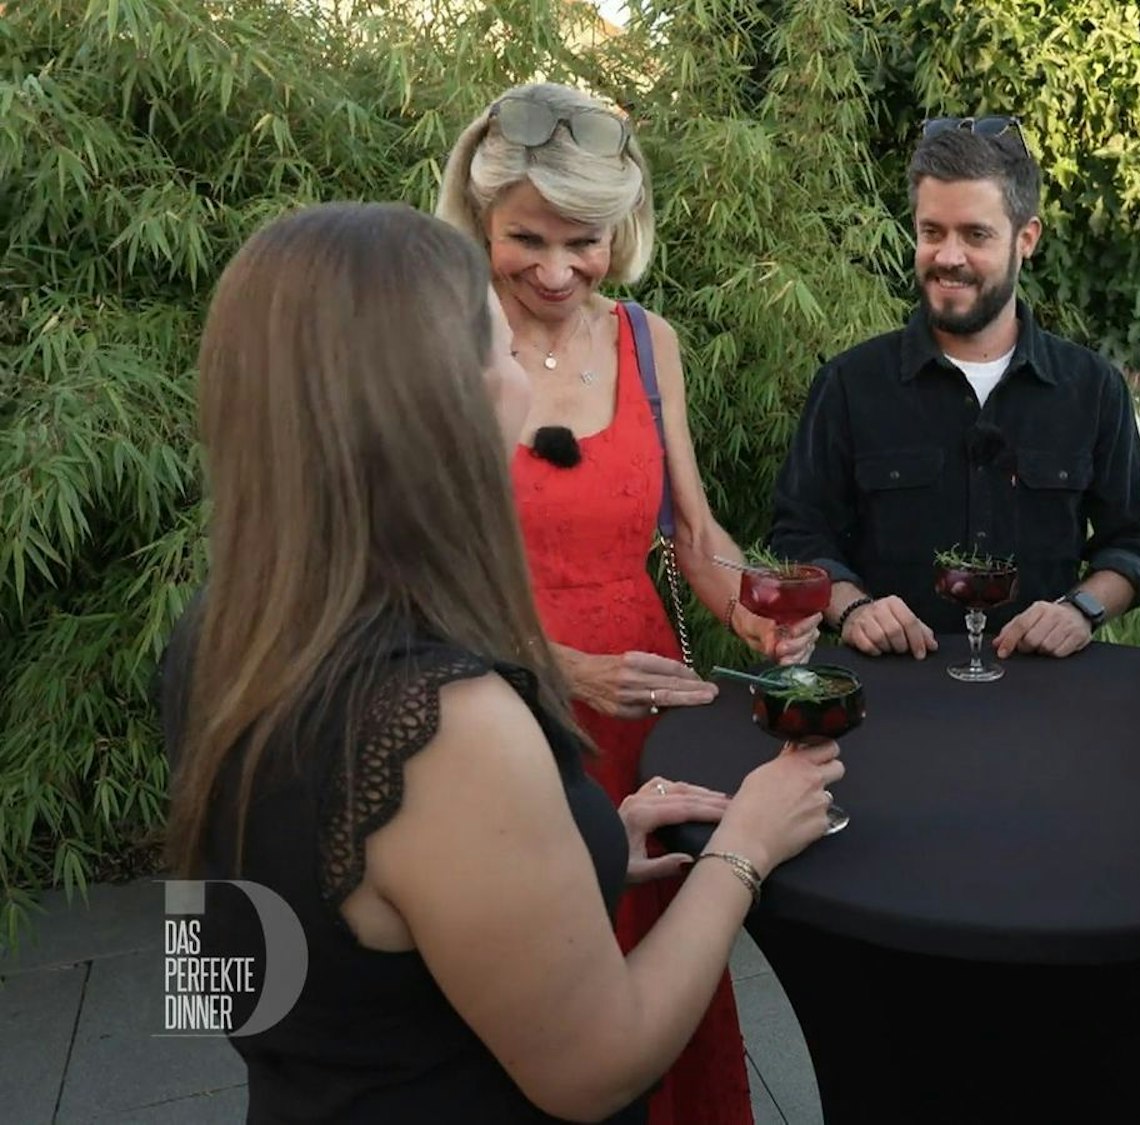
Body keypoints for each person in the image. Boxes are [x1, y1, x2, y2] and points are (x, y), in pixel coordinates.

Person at [157, 202, 843, 1123]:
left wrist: (583, 850)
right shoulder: (446, 721)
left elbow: (238, 974)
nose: (525, 368)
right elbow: (594, 1069)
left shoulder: (217, 635)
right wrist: (743, 847)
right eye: (500, 348)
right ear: (451, 400)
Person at [436, 82, 806, 1122]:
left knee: (665, 949)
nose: (556, 269)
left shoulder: (648, 340)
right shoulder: (442, 342)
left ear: (622, 230)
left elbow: (690, 533)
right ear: (478, 221)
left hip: (649, 704)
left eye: (583, 239)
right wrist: (553, 664)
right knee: (547, 971)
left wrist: (751, 615)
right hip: (503, 703)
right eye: (525, 239)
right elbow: (422, 571)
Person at [769, 117, 1140, 661]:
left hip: (1039, 697)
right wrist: (854, 609)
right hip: (889, 698)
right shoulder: (849, 385)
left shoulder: (1090, 389)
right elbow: (798, 536)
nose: (948, 257)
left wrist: (1081, 610)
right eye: (932, 232)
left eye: (975, 235)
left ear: (1025, 239)